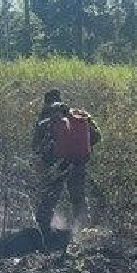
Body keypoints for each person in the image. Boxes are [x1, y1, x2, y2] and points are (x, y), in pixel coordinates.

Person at [31, 88, 100, 241]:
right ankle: (82, 232)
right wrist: (80, 147)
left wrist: (49, 156)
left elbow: (35, 146)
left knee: (49, 198)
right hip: (78, 163)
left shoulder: (45, 118)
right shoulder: (79, 115)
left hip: (57, 165)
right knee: (78, 198)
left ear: (46, 102)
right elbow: (97, 136)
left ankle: (42, 233)